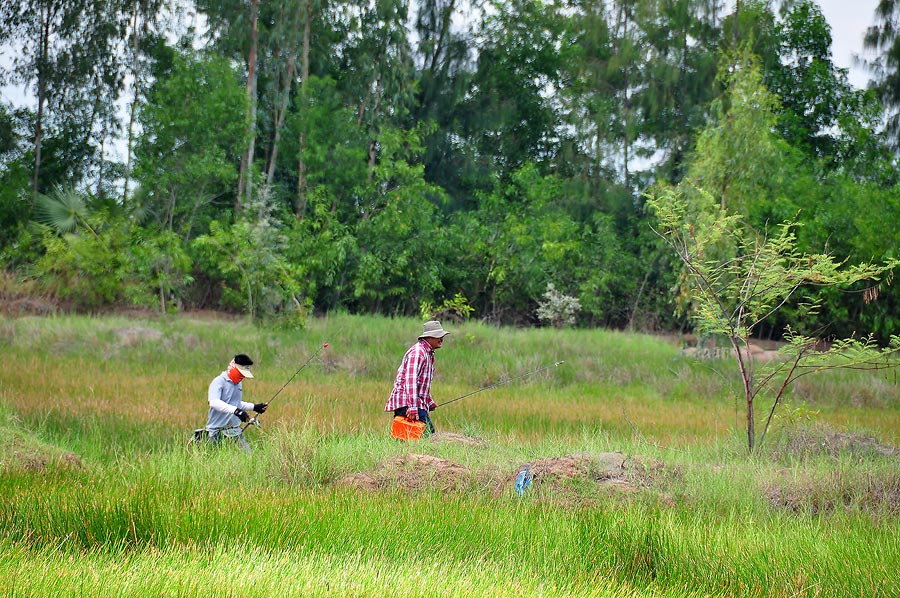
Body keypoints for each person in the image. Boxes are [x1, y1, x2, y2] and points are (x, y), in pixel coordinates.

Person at [385, 320, 450, 434]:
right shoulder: (418, 352)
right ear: (429, 337)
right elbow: (411, 381)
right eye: (439, 336)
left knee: (411, 439)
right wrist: (413, 408)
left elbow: (421, 383)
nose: (441, 339)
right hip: (408, 404)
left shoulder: (427, 353)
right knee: (428, 435)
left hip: (413, 403)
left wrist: (429, 402)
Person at [206, 353, 268, 452]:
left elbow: (236, 403)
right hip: (217, 431)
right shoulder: (218, 381)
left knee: (248, 457)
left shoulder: (238, 384)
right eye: (240, 374)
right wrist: (237, 411)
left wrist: (254, 407)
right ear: (233, 367)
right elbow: (214, 402)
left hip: (235, 431)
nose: (242, 377)